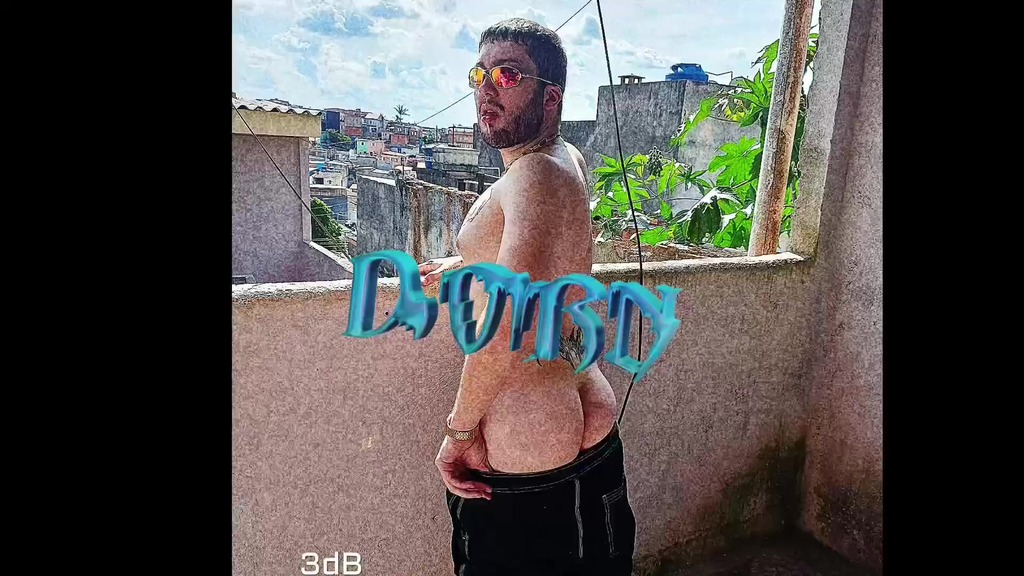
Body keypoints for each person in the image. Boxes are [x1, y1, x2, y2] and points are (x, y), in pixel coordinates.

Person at [417, 18, 636, 576]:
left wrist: (458, 433)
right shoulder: (565, 159)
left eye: (508, 75)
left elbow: (508, 327)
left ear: (551, 96)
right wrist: (468, 265)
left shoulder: (533, 175)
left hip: (529, 443)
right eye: (480, 75)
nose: (487, 90)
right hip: (581, 405)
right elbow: (546, 260)